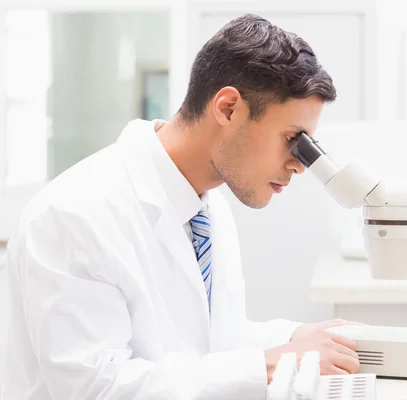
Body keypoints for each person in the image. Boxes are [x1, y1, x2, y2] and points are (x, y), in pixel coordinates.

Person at [0, 14, 362, 400]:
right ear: (227, 109)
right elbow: (96, 389)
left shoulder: (207, 209)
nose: (299, 164)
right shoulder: (73, 214)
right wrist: (269, 365)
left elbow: (208, 343)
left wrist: (294, 338)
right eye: (292, 139)